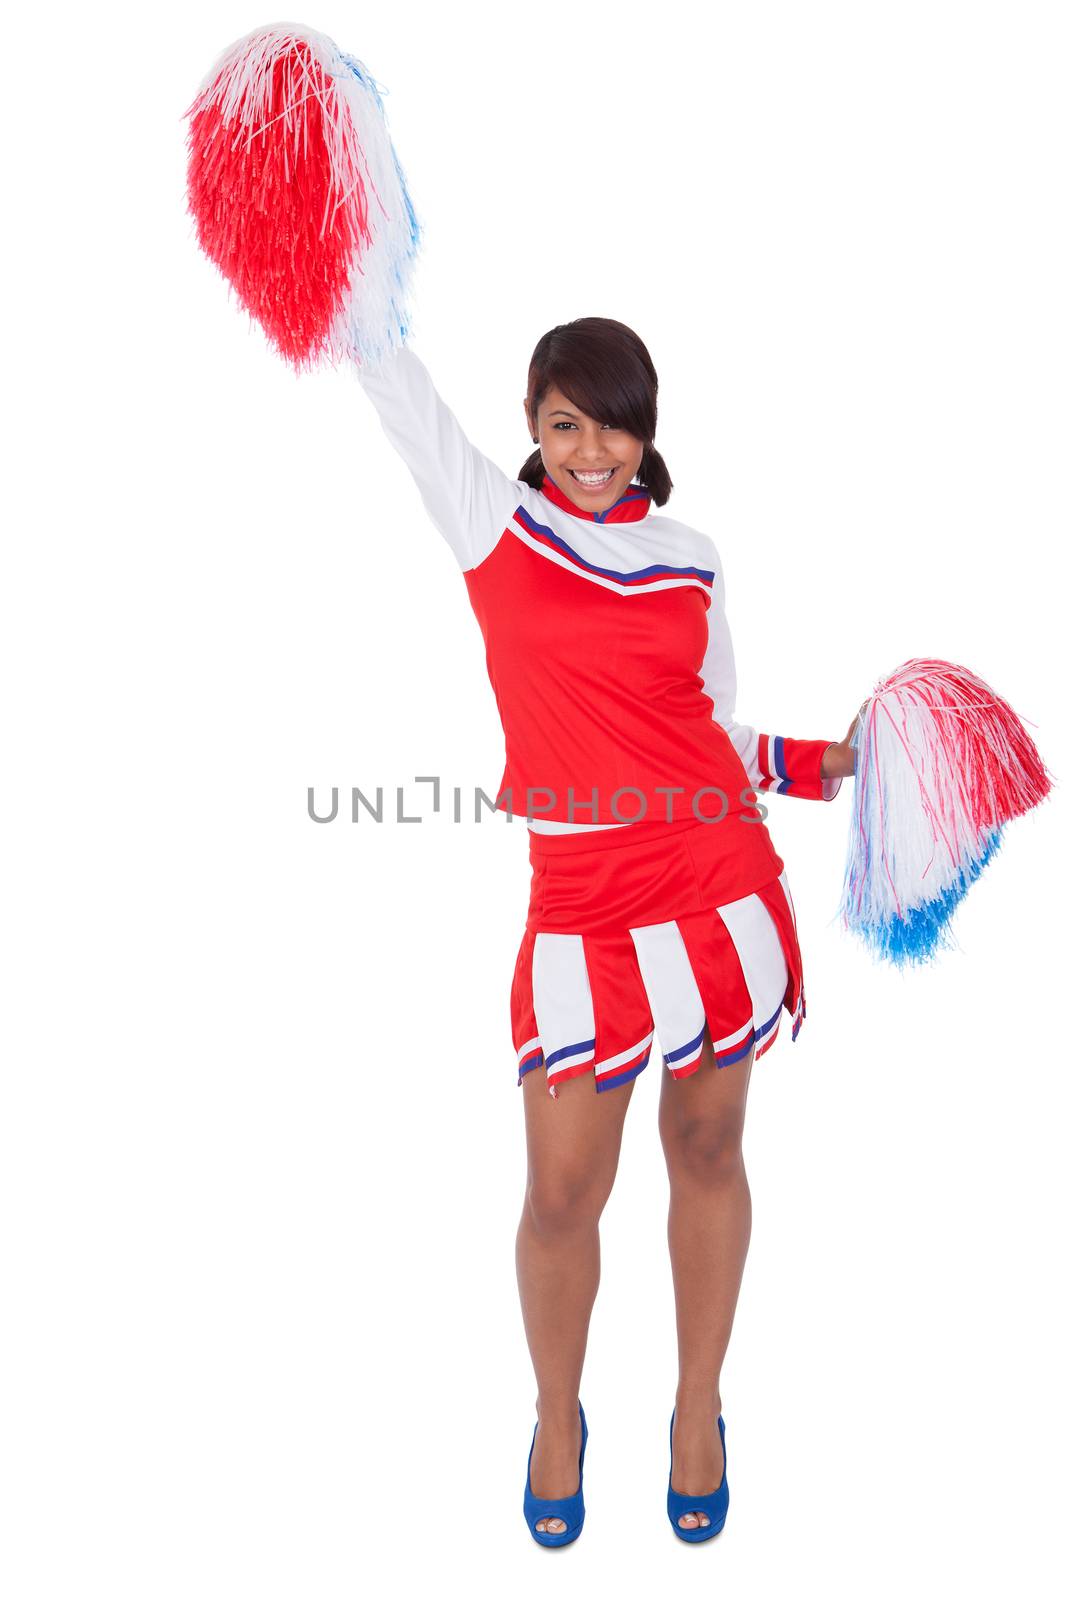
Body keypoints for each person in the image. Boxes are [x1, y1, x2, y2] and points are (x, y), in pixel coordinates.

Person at [355, 316, 859, 1544]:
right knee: (559, 1196)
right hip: (581, 912)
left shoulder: (691, 556)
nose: (592, 450)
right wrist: (342, 238)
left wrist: (816, 761)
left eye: (614, 423)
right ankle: (557, 1412)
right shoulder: (496, 523)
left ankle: (696, 1408)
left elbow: (707, 731)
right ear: (530, 426)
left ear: (647, 429)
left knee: (706, 1150)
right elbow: (386, 367)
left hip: (716, 889)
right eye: (564, 423)